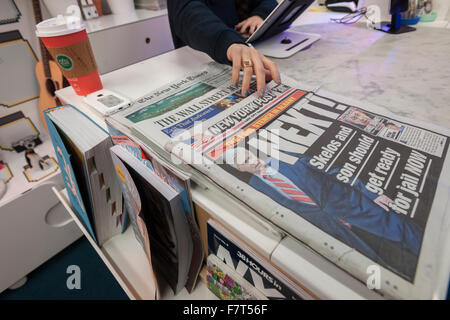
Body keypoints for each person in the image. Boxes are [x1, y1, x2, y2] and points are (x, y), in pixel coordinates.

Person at [224, 147, 424, 279]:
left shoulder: (284, 157)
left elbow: (333, 168)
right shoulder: (255, 188)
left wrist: (370, 193)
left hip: (355, 206)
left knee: (406, 234)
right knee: (379, 269)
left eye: (250, 156)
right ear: (241, 169)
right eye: (245, 162)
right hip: (335, 233)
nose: (253, 162)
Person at [167, 0, 281, 98]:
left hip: (236, 50)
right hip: (198, 58)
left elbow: (268, 2)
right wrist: (228, 42)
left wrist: (260, 15)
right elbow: (188, 12)